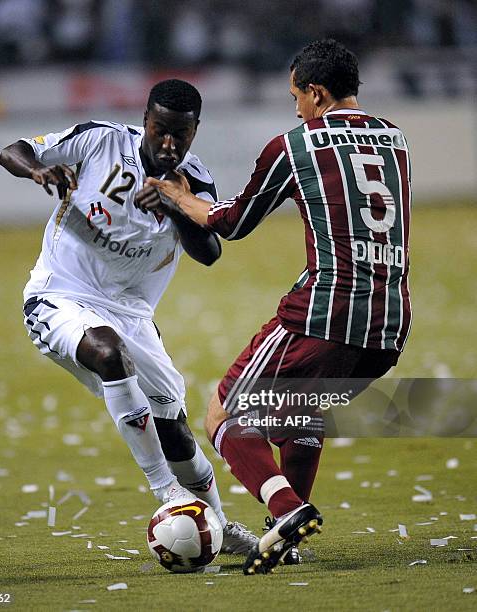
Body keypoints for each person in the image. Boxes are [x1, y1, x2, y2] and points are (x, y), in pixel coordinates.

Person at [144, 40, 412, 574]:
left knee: (224, 415)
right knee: (297, 415)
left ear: (316, 92)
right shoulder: (396, 139)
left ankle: (287, 510)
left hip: (324, 311)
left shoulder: (296, 145)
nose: (295, 108)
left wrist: (179, 197)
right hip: (389, 320)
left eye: (297, 96)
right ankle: (284, 538)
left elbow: (233, 222)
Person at [0, 78, 257, 555]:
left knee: (173, 428)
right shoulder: (100, 141)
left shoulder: (193, 182)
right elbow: (11, 151)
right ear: (145, 121)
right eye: (160, 129)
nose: (168, 143)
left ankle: (219, 525)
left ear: (195, 131)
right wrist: (38, 171)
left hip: (133, 313)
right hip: (60, 294)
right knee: (108, 353)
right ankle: (167, 492)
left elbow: (211, 252)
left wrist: (177, 208)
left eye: (181, 134)